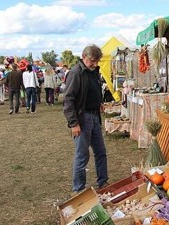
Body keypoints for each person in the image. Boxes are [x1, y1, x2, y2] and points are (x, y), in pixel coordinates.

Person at [63, 44, 108, 193]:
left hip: (95, 116)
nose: (95, 64)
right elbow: (68, 100)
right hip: (83, 119)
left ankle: (103, 182)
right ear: (84, 57)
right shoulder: (75, 73)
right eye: (93, 61)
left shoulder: (93, 71)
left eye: (97, 61)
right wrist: (73, 123)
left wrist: (99, 102)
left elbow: (94, 90)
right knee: (82, 155)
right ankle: (79, 189)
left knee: (100, 151)